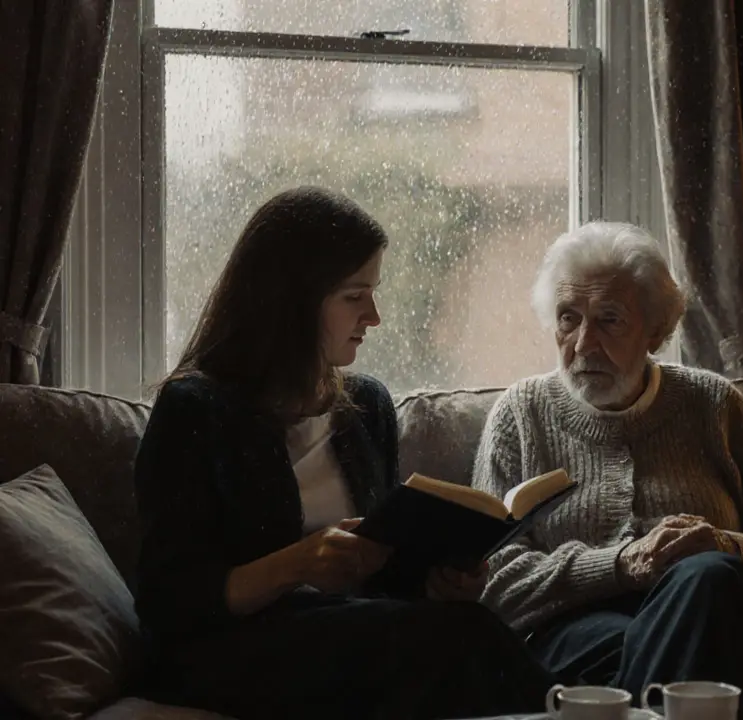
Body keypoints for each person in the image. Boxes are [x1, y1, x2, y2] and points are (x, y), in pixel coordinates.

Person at [133, 186, 555, 720]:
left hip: (355, 637)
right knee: (455, 642)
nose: (373, 316)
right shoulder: (194, 409)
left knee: (451, 637)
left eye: (372, 293)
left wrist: (439, 580)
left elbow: (385, 576)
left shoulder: (367, 407)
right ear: (292, 302)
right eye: (354, 297)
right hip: (232, 652)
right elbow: (167, 601)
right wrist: (297, 564)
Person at [472, 221, 743, 718]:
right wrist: (618, 565)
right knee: (662, 637)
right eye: (568, 318)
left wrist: (728, 546)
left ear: (657, 332)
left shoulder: (714, 405)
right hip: (584, 631)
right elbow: (494, 584)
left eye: (610, 320)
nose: (582, 344)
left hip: (719, 607)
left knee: (705, 580)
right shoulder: (520, 415)